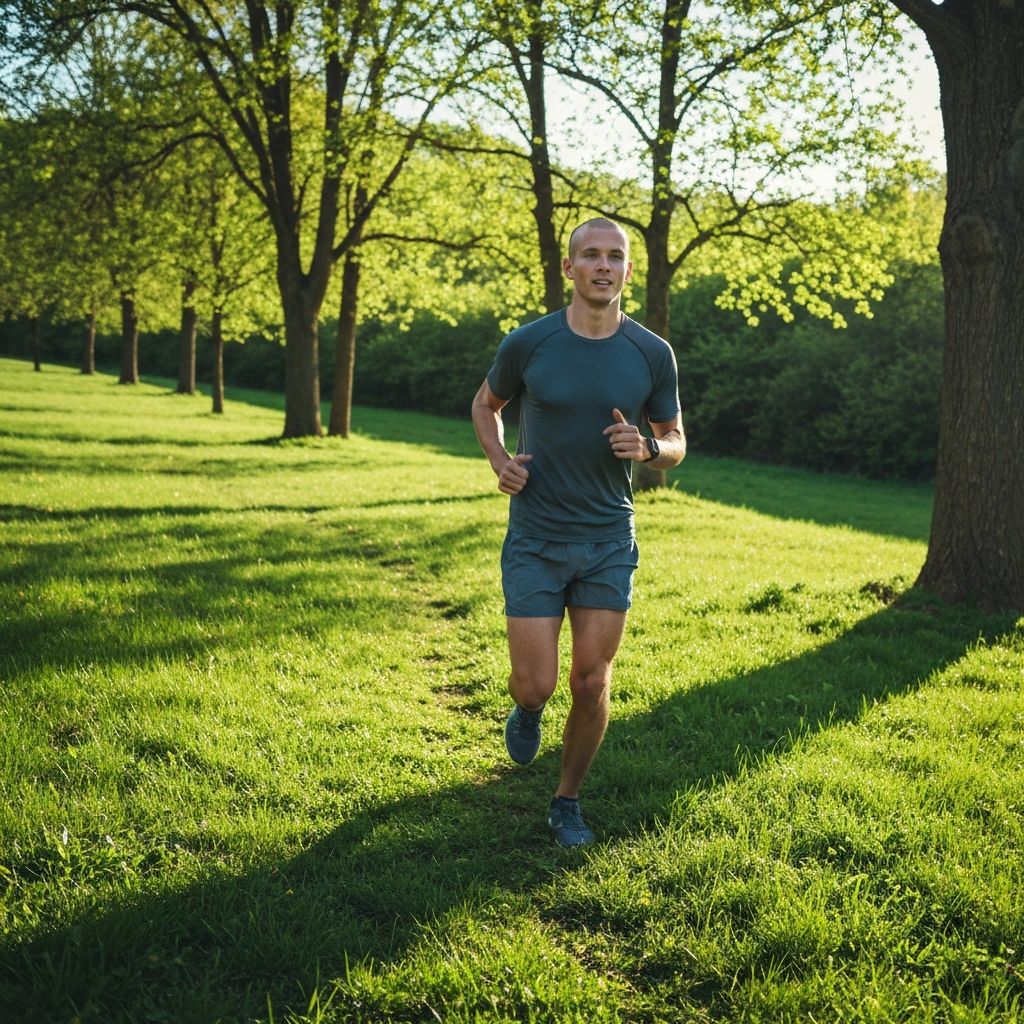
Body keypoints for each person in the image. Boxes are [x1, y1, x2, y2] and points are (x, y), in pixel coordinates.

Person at [471, 217, 686, 847]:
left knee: (592, 680)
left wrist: (647, 447)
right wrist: (500, 461)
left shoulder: (651, 353)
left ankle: (567, 801)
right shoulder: (529, 344)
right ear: (569, 269)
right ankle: (529, 709)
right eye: (590, 255)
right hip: (536, 536)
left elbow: (676, 442)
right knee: (536, 682)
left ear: (626, 271)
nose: (603, 265)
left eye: (615, 256)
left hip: (607, 541)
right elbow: (487, 405)